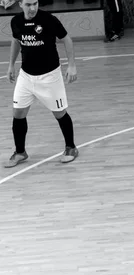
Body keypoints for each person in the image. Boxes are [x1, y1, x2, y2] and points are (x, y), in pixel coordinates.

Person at [5, 0, 78, 168]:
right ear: (20, 4)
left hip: (50, 77)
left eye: (35, 3)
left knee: (60, 113)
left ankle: (71, 148)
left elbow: (66, 39)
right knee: (18, 113)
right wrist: (11, 65)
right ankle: (20, 152)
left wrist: (72, 65)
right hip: (26, 76)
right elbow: (16, 41)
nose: (32, 8)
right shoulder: (15, 21)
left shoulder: (48, 19)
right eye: (28, 4)